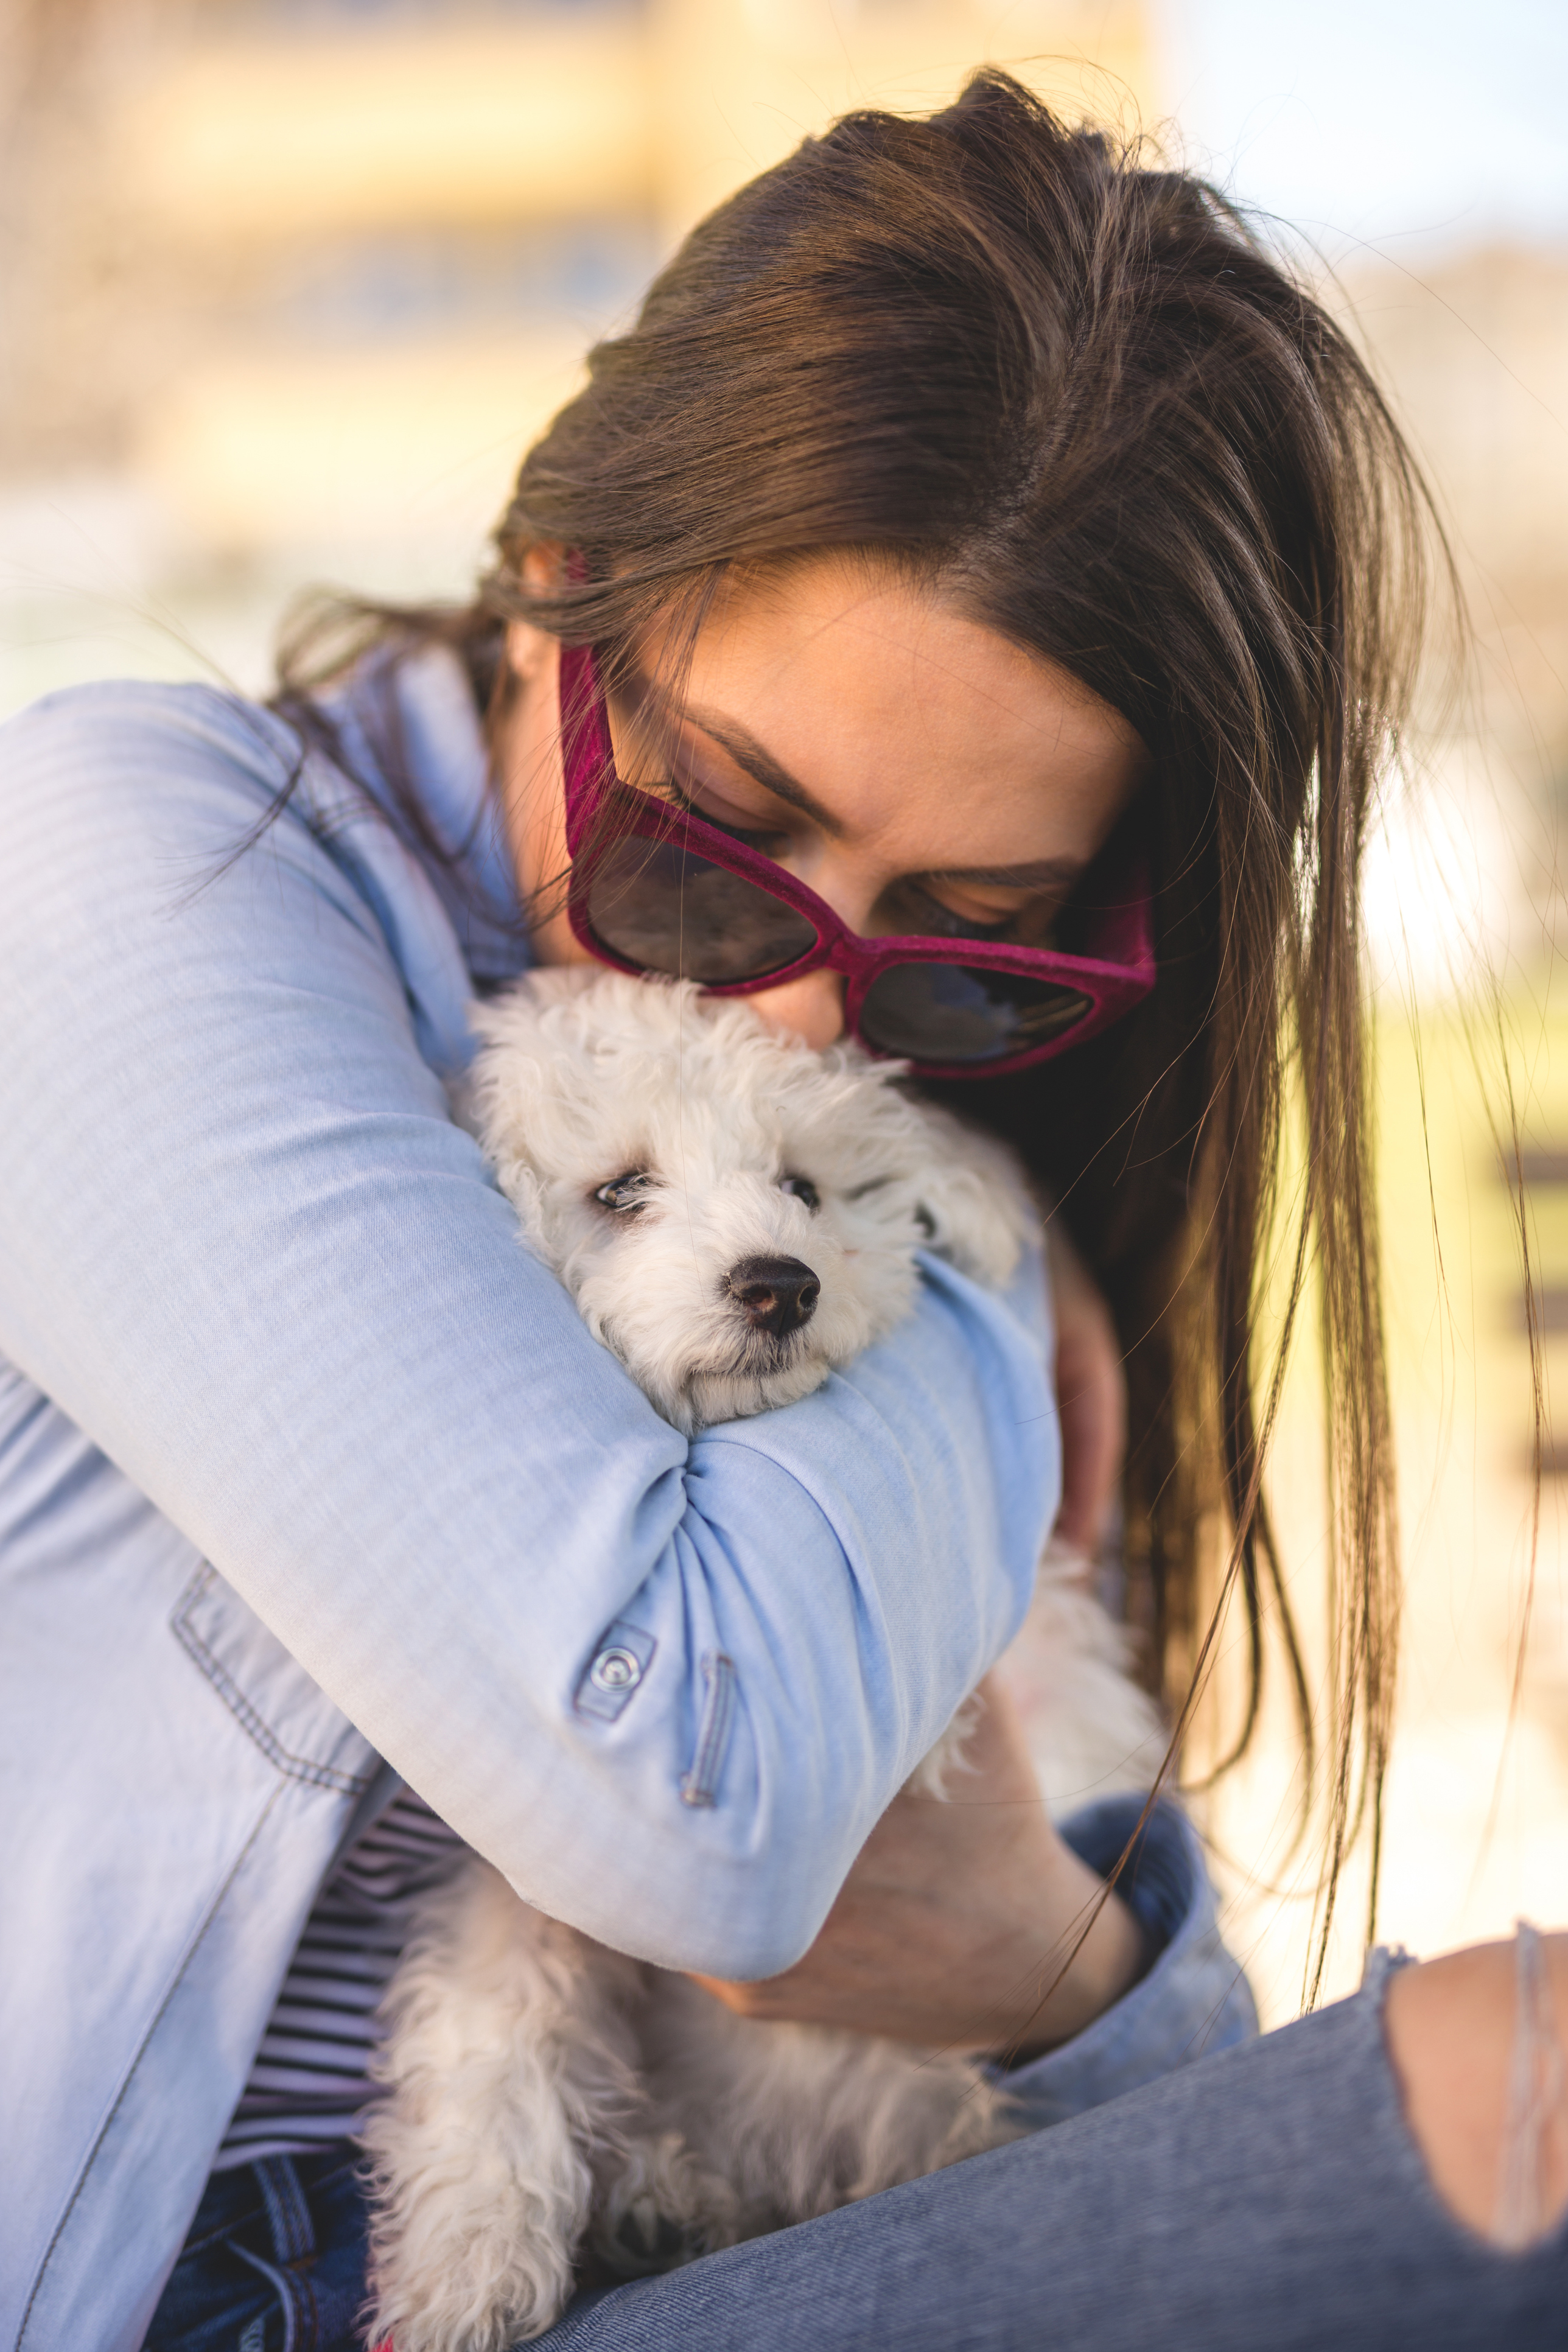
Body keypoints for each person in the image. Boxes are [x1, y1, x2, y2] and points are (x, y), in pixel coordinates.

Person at [0, 69, 1561, 2352]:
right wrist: (981, 1284)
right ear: (554, 592)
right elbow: (691, 1789)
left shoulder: (902, 1142)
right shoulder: (127, 869)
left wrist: (1063, 1964)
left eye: (966, 938)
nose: (825, 1027)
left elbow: (1085, 1986)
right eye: (711, 834)